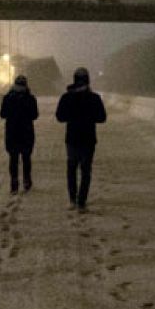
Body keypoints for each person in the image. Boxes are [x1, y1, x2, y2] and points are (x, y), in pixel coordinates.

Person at [54, 66, 106, 212]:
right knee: (85, 170)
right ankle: (82, 201)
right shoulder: (94, 98)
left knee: (71, 169)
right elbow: (102, 118)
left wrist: (73, 115)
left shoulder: (66, 97)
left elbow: (59, 117)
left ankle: (72, 199)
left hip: (72, 138)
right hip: (88, 138)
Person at [0, 74, 38, 194]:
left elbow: (2, 114)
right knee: (26, 158)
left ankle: (14, 183)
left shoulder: (7, 98)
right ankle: (26, 180)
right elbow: (35, 115)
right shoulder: (31, 98)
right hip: (26, 132)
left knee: (13, 159)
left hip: (12, 132)